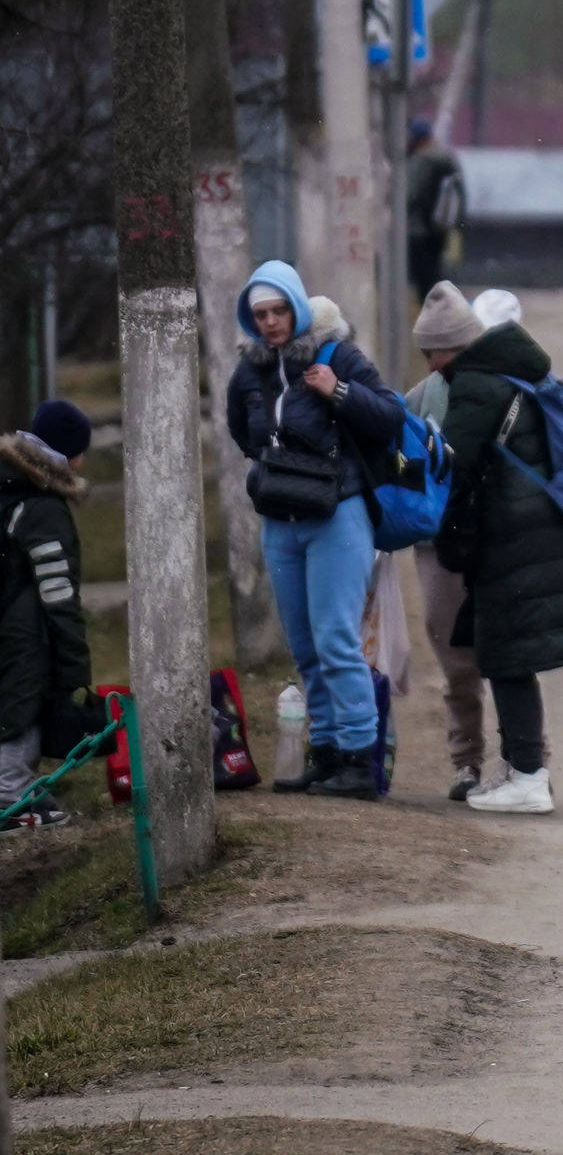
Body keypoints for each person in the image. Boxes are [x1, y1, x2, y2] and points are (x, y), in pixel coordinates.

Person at [228, 261, 404, 795]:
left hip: (338, 514)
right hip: (281, 520)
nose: (271, 322)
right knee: (304, 645)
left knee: (336, 639)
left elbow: (391, 416)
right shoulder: (251, 370)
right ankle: (325, 753)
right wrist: (276, 466)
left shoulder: (336, 355)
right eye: (260, 314)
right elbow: (243, 430)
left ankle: (358, 758)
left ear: (297, 308)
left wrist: (339, 392)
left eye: (279, 310)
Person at [426, 282, 563, 815]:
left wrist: (438, 527)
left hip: (517, 537)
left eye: (432, 352)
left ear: (452, 347)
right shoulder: (517, 372)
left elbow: (453, 466)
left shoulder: (476, 385)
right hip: (544, 529)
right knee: (507, 652)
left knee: (508, 655)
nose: (430, 364)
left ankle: (529, 777)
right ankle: (522, 768)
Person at [405, 283, 491, 799]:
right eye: (429, 353)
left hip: (491, 539)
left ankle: (528, 760)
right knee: (453, 655)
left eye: (443, 351)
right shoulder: (419, 400)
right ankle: (467, 761)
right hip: (437, 545)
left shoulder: (505, 389)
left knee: (506, 654)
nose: (434, 362)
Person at [0, 400, 95, 825]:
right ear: (69, 454)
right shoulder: (42, 508)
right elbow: (58, 595)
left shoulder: (9, 485)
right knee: (20, 704)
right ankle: (10, 797)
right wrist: (75, 664)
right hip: (22, 631)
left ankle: (19, 787)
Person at [404, 120, 466, 298]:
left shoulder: (422, 160)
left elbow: (411, 194)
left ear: (419, 139)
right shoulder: (448, 158)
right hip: (442, 227)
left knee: (424, 278)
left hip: (419, 230)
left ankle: (430, 312)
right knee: (436, 276)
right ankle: (441, 309)